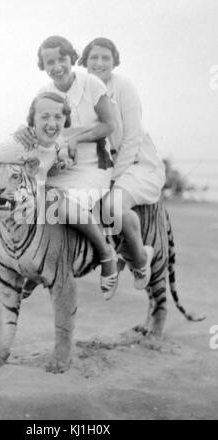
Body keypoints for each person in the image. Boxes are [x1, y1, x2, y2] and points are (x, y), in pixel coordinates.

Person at [0, 90, 115, 348]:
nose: (52, 123)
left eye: (58, 116)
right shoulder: (17, 143)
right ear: (31, 120)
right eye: (44, 116)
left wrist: (57, 166)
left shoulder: (54, 145)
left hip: (16, 220)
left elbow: (44, 170)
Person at [14, 35, 120, 298]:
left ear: (71, 58)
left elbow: (110, 125)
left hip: (93, 165)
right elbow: (34, 126)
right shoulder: (43, 92)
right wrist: (23, 132)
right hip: (59, 166)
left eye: (61, 58)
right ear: (43, 65)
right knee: (32, 203)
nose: (57, 66)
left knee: (56, 204)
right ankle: (39, 269)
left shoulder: (91, 83)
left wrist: (74, 139)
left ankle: (106, 254)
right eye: (50, 61)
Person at [77, 37, 166, 289]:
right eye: (94, 57)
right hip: (107, 167)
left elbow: (132, 138)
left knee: (112, 206)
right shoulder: (82, 92)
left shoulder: (123, 86)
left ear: (115, 62)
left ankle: (139, 258)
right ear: (85, 61)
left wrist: (113, 177)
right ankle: (113, 257)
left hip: (138, 164)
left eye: (106, 57)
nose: (99, 62)